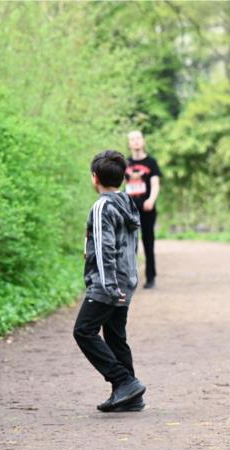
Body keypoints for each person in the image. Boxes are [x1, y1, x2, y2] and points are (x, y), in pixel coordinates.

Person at [73, 150, 146, 412]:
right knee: (115, 336)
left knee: (83, 330)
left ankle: (124, 381)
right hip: (126, 280)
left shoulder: (102, 206)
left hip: (108, 283)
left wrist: (108, 286)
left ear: (95, 178)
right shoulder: (128, 202)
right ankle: (129, 396)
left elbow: (105, 249)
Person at [125, 131, 162, 289]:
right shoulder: (125, 163)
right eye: (132, 139)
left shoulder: (151, 162)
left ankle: (151, 277)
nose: (136, 142)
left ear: (143, 141)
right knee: (129, 245)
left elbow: (155, 184)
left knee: (148, 243)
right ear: (129, 143)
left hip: (147, 209)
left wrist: (151, 200)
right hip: (129, 209)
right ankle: (129, 280)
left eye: (138, 138)